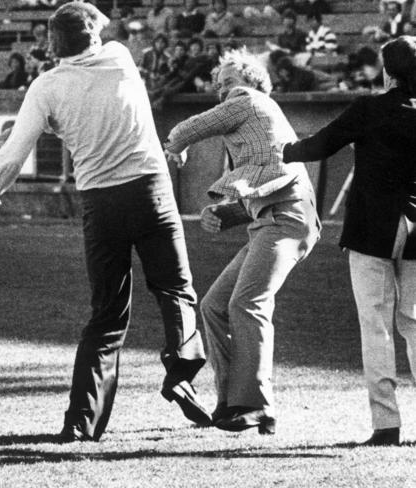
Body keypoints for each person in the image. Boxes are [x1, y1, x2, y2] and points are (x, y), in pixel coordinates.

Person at [0, 2, 211, 442]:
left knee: (107, 316)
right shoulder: (120, 58)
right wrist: (18, 134)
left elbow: (21, 151)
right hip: (150, 191)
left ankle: (81, 422)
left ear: (53, 46)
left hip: (99, 203)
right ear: (92, 34)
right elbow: (94, 105)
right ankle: (182, 368)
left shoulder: (46, 87)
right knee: (175, 288)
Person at [165, 48, 320, 434]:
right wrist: (229, 213)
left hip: (285, 218)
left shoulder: (247, 100)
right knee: (216, 305)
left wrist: (175, 145)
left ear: (252, 81)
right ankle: (232, 401)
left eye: (229, 80)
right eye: (219, 84)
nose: (223, 89)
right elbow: (265, 185)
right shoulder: (255, 114)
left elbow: (192, 127)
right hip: (276, 218)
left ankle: (256, 404)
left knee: (248, 302)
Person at [282, 36, 416, 446]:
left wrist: (284, 150)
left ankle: (386, 423)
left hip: (372, 227)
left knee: (375, 326)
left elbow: (320, 146)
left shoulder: (369, 109)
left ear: (387, 71)